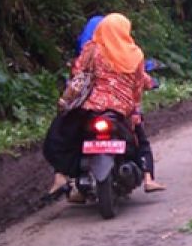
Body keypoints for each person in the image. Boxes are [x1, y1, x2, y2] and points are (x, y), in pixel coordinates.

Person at [42, 14, 154, 200]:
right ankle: (147, 175)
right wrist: (134, 109)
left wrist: (65, 100)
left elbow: (79, 76)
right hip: (120, 111)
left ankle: (62, 176)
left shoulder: (93, 49)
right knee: (139, 139)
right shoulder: (135, 54)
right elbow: (137, 86)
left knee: (61, 134)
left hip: (91, 108)